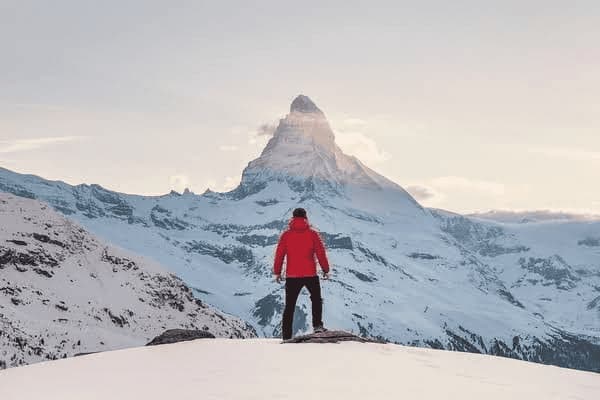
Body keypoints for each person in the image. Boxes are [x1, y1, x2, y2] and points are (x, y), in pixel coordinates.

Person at [273, 207, 330, 340]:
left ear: (292, 218)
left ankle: (286, 336)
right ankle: (317, 326)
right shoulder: (313, 234)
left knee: (289, 306)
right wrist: (325, 270)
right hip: (310, 274)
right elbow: (321, 253)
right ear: (305, 218)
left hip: (292, 276)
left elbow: (279, 255)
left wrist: (277, 272)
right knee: (316, 299)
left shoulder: (286, 235)